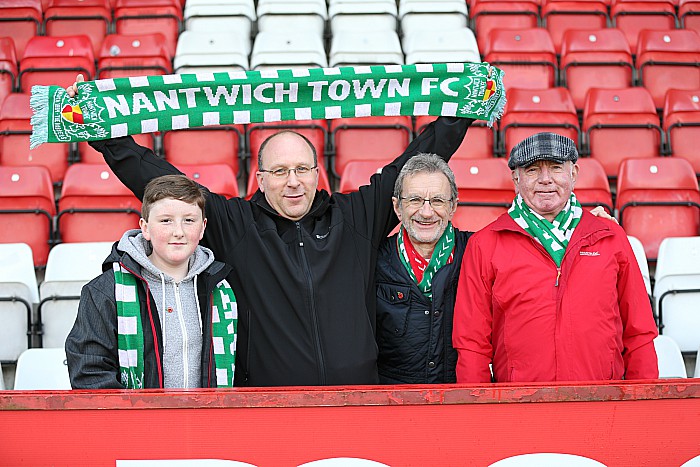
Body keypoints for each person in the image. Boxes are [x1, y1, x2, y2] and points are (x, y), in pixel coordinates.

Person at [66, 75, 474, 387]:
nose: (292, 182)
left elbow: (415, 163)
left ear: (318, 174)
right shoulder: (237, 225)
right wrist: (104, 132)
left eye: (301, 170)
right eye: (279, 172)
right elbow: (162, 183)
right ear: (260, 178)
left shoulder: (355, 218)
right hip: (269, 408)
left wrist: (464, 106)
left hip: (358, 400)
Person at [452, 132, 659, 383]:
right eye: (532, 170)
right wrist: (478, 409)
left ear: (573, 174)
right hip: (521, 406)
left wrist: (644, 399)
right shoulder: (485, 244)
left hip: (603, 403)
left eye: (556, 168)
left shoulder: (609, 236)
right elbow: (472, 343)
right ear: (516, 179)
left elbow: (639, 331)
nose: (545, 180)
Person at [66, 175, 238, 389]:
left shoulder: (221, 289)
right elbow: (89, 373)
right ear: (145, 227)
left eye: (189, 220)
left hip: (205, 420)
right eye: (166, 220)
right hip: (137, 420)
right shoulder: (106, 290)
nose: (179, 232)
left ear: (203, 227)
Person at [375, 153, 472, 384]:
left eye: (437, 201)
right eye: (415, 200)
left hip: (459, 401)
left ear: (453, 207)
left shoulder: (476, 252)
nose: (427, 212)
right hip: (392, 403)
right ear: (398, 207)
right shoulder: (374, 259)